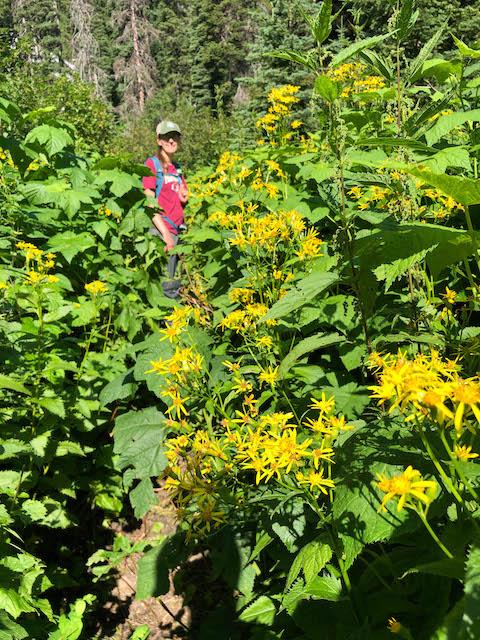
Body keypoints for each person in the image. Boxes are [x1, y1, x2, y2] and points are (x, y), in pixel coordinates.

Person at [142, 120, 188, 301]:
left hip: (178, 231)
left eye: (175, 136)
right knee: (168, 286)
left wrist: (183, 197)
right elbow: (149, 203)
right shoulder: (152, 165)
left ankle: (175, 324)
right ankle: (168, 326)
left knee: (177, 282)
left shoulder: (176, 169)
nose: (171, 141)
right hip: (163, 232)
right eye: (166, 137)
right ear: (158, 141)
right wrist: (165, 235)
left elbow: (178, 198)